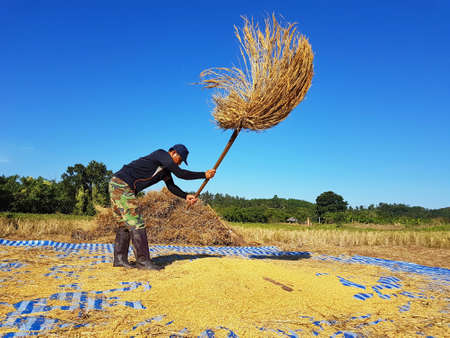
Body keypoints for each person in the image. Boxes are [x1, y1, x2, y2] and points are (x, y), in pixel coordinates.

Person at [109, 144, 216, 270]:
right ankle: (143, 262)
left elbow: (171, 187)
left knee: (124, 224)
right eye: (180, 160)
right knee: (136, 222)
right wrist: (203, 174)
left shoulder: (165, 171)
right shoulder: (161, 154)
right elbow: (181, 174)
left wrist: (185, 195)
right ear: (173, 153)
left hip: (117, 184)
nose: (179, 164)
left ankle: (120, 260)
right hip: (122, 185)